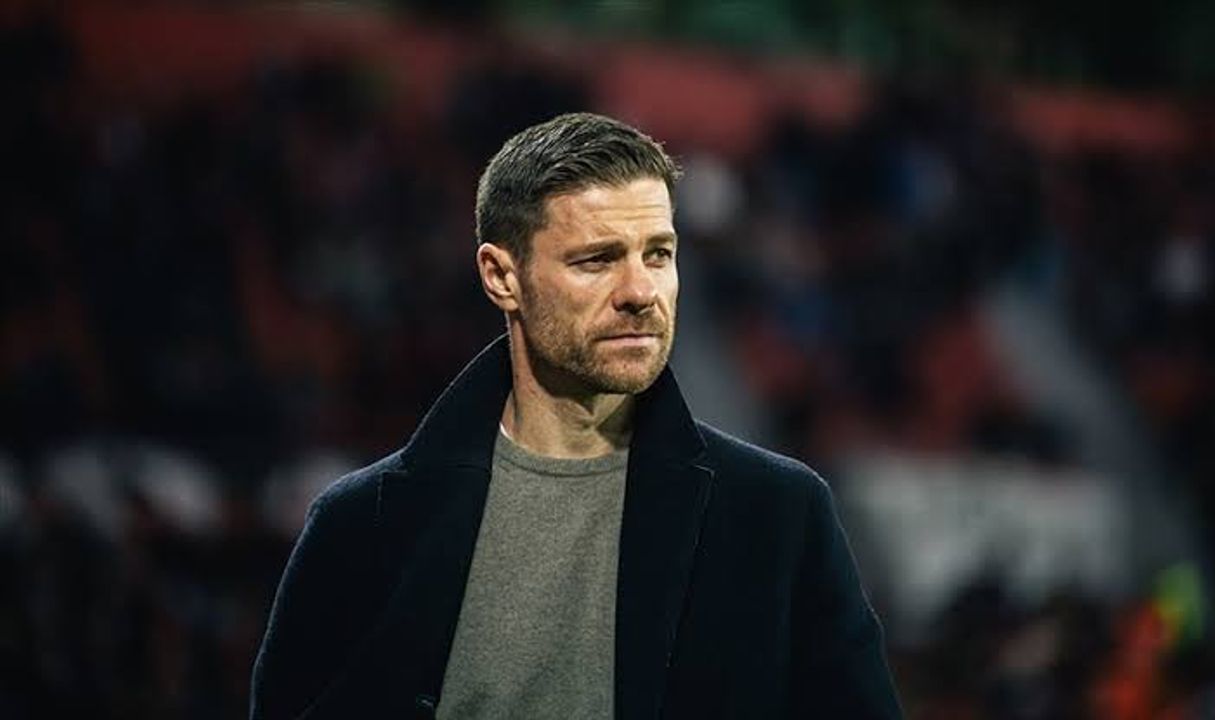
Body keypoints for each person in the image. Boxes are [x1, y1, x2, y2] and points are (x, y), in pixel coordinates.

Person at [249, 112, 901, 719]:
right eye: (597, 259)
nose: (640, 292)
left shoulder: (778, 516)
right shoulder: (361, 526)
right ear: (501, 277)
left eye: (658, 254)